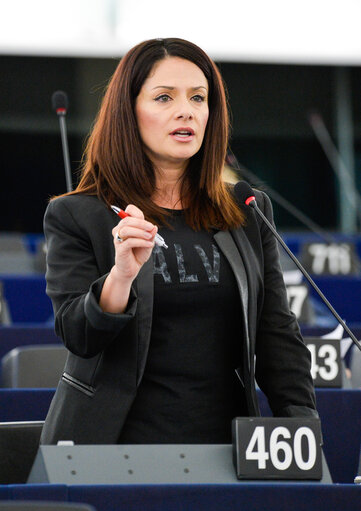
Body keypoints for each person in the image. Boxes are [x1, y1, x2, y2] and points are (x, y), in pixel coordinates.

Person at [40, 37, 317, 445]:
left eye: (198, 98)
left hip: (228, 446)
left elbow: (275, 332)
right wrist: (120, 277)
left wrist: (302, 431)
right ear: (128, 111)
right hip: (112, 447)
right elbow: (79, 336)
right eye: (164, 97)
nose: (186, 110)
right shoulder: (79, 214)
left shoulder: (245, 210)